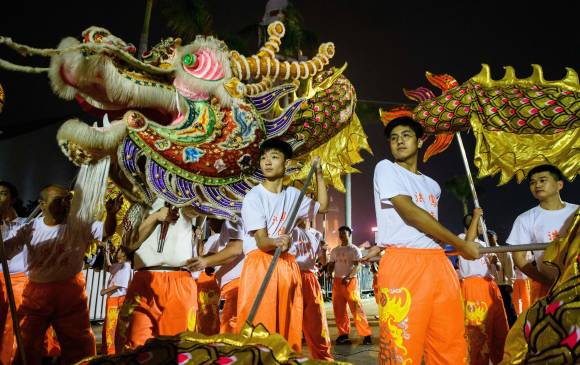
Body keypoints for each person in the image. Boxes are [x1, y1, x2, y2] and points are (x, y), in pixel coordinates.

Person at [364, 116, 480, 364]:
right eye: (394, 138)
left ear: (419, 141)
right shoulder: (386, 168)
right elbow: (410, 214)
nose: (399, 141)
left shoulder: (432, 185)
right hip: (404, 264)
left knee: (449, 340)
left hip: (438, 263)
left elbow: (426, 226)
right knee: (402, 346)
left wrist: (463, 242)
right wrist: (461, 245)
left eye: (406, 135)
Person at [3, 183, 121, 365]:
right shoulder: (30, 229)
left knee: (79, 342)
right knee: (27, 342)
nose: (66, 204)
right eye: (59, 200)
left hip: (70, 293)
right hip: (36, 293)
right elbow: (5, 252)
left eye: (68, 199)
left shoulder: (80, 225)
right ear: (42, 204)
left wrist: (111, 215)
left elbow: (106, 231)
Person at [235, 138, 328, 353]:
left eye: (274, 157)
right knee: (261, 326)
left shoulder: (294, 195)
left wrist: (319, 175)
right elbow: (261, 241)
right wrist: (276, 241)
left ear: (286, 164)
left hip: (287, 265)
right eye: (264, 157)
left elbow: (322, 206)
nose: (267, 162)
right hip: (261, 263)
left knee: (287, 324)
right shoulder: (254, 196)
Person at [115, 198, 198, 351]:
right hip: (144, 279)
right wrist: (155, 217)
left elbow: (199, 210)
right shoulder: (140, 203)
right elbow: (128, 244)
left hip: (178, 280)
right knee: (133, 344)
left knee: (175, 348)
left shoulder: (189, 195)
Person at [506, 164, 578, 304]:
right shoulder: (525, 219)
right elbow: (519, 258)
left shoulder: (577, 213)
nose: (537, 185)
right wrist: (545, 280)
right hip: (547, 288)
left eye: (542, 180)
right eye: (532, 182)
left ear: (559, 185)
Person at [458, 209, 509, 365]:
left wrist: (495, 261)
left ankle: (500, 360)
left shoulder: (484, 243)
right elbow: (469, 242)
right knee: (479, 333)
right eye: (481, 222)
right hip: (474, 287)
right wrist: (476, 216)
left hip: (490, 286)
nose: (483, 225)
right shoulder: (462, 238)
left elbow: (498, 268)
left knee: (500, 330)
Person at [185, 219, 244, 334]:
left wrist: (205, 262)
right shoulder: (223, 233)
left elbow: (235, 249)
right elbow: (214, 255)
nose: (210, 222)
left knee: (230, 334)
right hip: (230, 288)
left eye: (212, 218)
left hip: (236, 287)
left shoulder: (231, 220)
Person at [290, 220, 332, 360]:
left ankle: (323, 359)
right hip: (290, 276)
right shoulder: (289, 228)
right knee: (290, 323)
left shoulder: (316, 234)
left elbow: (324, 261)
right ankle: (290, 358)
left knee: (316, 323)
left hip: (309, 278)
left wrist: (325, 250)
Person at [327, 226, 372, 345]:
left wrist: (348, 277)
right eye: (340, 233)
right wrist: (328, 273)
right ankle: (343, 334)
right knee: (339, 311)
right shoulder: (335, 250)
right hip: (337, 282)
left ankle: (366, 334)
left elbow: (358, 266)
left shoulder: (354, 250)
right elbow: (331, 264)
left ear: (349, 235)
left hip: (350, 283)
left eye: (344, 233)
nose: (342, 235)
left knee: (357, 309)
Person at [0, 181, 27, 364]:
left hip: (18, 281)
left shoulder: (25, 224)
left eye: (3, 193)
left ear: (13, 198)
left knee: (12, 327)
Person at [100, 244, 132, 354]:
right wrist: (107, 255)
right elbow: (109, 267)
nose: (117, 251)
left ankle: (111, 352)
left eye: (119, 250)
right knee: (109, 325)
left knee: (111, 327)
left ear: (124, 253)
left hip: (117, 299)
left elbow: (120, 284)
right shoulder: (120, 265)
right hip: (113, 298)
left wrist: (105, 291)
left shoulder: (126, 266)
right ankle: (109, 350)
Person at [486, 230, 518, 327]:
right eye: (487, 237)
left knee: (508, 307)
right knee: (495, 308)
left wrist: (510, 283)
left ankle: (513, 326)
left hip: (503, 284)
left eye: (491, 236)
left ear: (496, 237)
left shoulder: (504, 250)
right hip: (492, 285)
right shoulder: (486, 251)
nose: (489, 238)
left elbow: (509, 267)